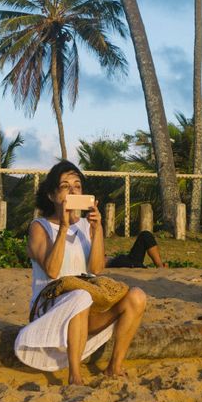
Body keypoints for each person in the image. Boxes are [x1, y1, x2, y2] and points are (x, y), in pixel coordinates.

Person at [15, 161, 149, 384]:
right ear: (51, 195)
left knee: (136, 296)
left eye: (77, 186)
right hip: (50, 308)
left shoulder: (87, 225)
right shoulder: (39, 227)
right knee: (81, 296)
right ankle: (75, 376)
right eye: (65, 186)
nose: (72, 190)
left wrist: (97, 231)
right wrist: (65, 227)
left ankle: (114, 367)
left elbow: (96, 269)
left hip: (85, 309)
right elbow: (52, 270)